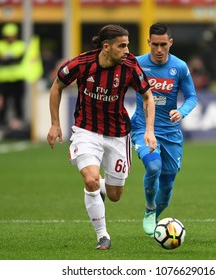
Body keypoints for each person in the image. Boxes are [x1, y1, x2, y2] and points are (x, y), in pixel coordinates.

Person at [47, 24, 157, 250]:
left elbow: (147, 97)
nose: (127, 50)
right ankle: (102, 235)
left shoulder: (130, 66)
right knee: (90, 179)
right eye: (122, 46)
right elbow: (57, 86)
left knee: (115, 195)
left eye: (127, 45)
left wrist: (149, 130)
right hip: (86, 131)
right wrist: (55, 123)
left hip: (118, 134)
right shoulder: (82, 63)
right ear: (106, 47)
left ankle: (102, 187)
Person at [130, 23, 197, 236]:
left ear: (171, 43)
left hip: (170, 133)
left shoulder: (180, 67)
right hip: (143, 128)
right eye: (155, 45)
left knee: (167, 185)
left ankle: (156, 214)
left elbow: (192, 97)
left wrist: (182, 112)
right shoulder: (137, 64)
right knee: (153, 167)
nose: (159, 50)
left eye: (163, 45)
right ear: (149, 43)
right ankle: (150, 209)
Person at [0, 23, 26, 123]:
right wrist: (12, 58)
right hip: (3, 80)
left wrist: (6, 58)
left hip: (17, 79)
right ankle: (1, 123)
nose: (10, 38)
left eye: (12, 36)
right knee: (2, 105)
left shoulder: (21, 45)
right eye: (8, 36)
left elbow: (19, 59)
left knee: (18, 104)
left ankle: (19, 124)